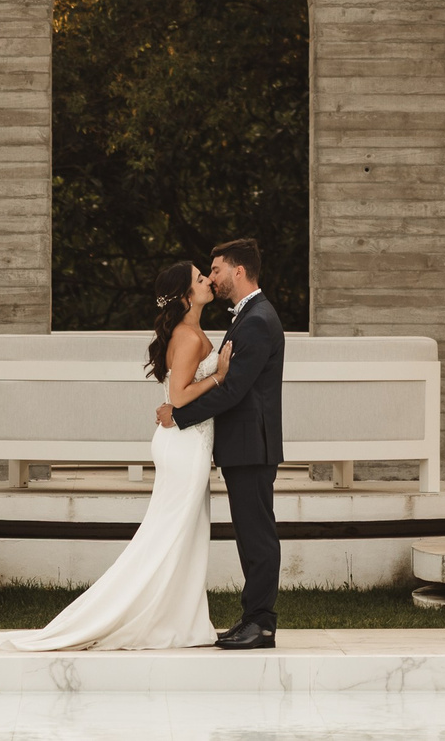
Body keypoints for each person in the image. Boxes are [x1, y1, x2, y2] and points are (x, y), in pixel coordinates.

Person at [0, 260, 234, 651]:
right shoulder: (188, 336)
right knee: (171, 535)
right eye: (199, 278)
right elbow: (178, 398)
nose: (208, 280)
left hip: (186, 442)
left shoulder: (190, 331)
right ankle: (153, 619)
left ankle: (180, 619)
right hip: (184, 444)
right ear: (185, 295)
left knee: (183, 535)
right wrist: (219, 377)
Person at [158, 237, 283, 650]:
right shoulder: (248, 316)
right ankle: (252, 618)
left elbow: (233, 390)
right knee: (249, 534)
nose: (212, 278)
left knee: (257, 535)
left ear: (238, 271)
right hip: (242, 445)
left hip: (252, 445)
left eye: (216, 270)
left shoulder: (258, 319)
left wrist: (178, 416)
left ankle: (261, 623)